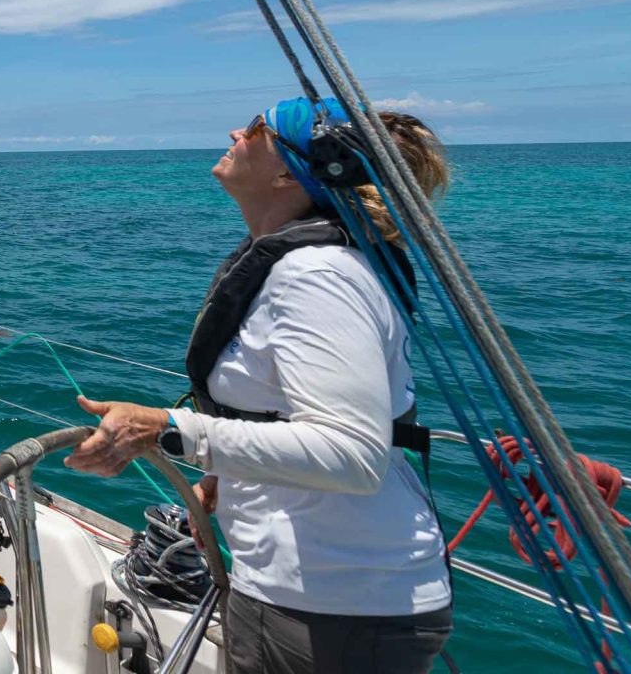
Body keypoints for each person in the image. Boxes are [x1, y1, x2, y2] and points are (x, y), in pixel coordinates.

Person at [67, 99, 452, 674]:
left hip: (334, 608)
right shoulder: (310, 267)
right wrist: (228, 475)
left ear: (285, 172)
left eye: (254, 129)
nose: (233, 132)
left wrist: (166, 429)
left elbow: (353, 452)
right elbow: (286, 414)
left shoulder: (317, 275)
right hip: (313, 595)